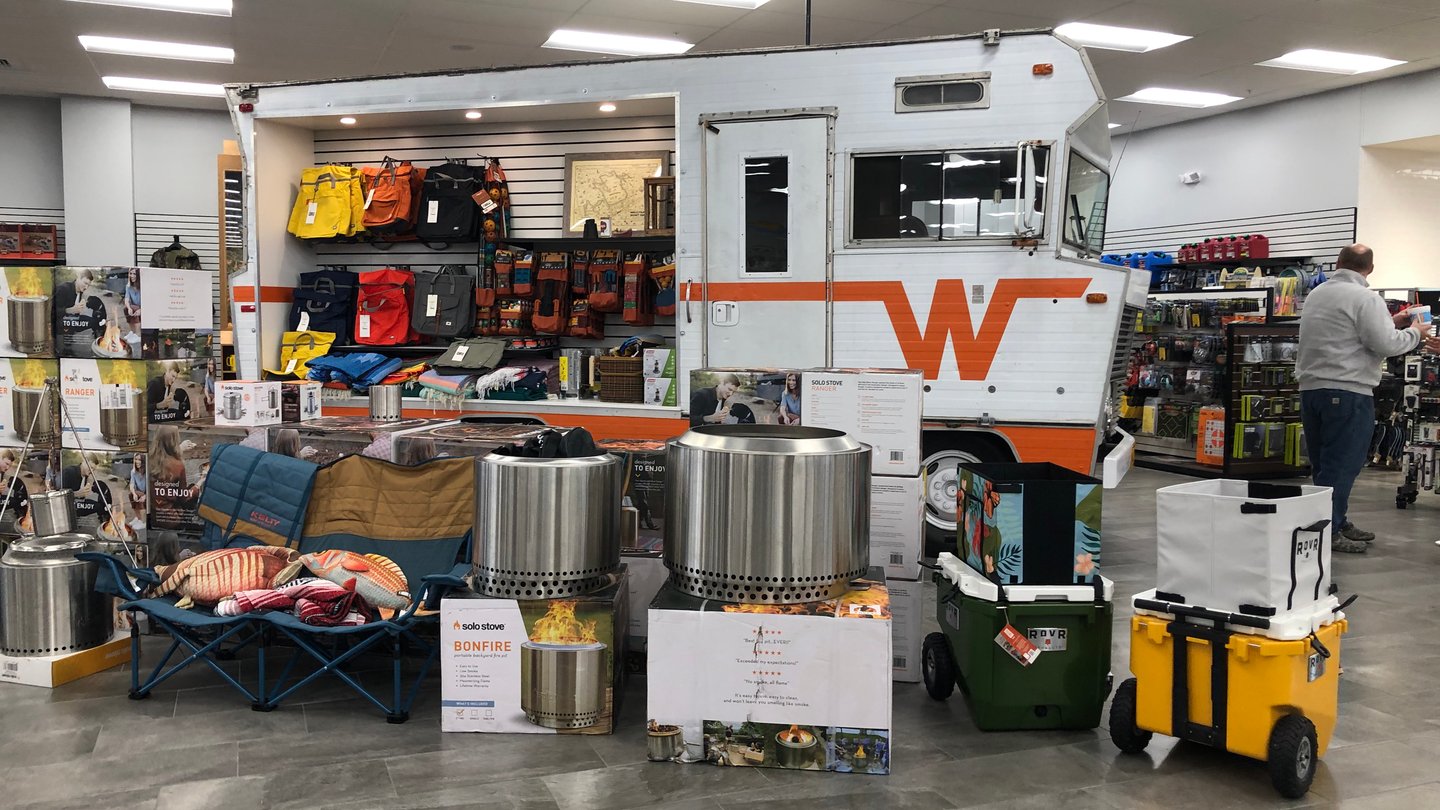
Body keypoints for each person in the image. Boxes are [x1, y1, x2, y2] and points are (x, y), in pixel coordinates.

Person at [1297, 244, 1438, 552]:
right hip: (1348, 392)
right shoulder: (1365, 298)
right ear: (1370, 269)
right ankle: (1330, 529)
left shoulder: (1317, 295)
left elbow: (1351, 332)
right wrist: (1415, 332)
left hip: (1312, 390)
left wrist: (1394, 321)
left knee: (1323, 463)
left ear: (1338, 263)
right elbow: (1386, 345)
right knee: (1343, 463)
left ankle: (1333, 519)